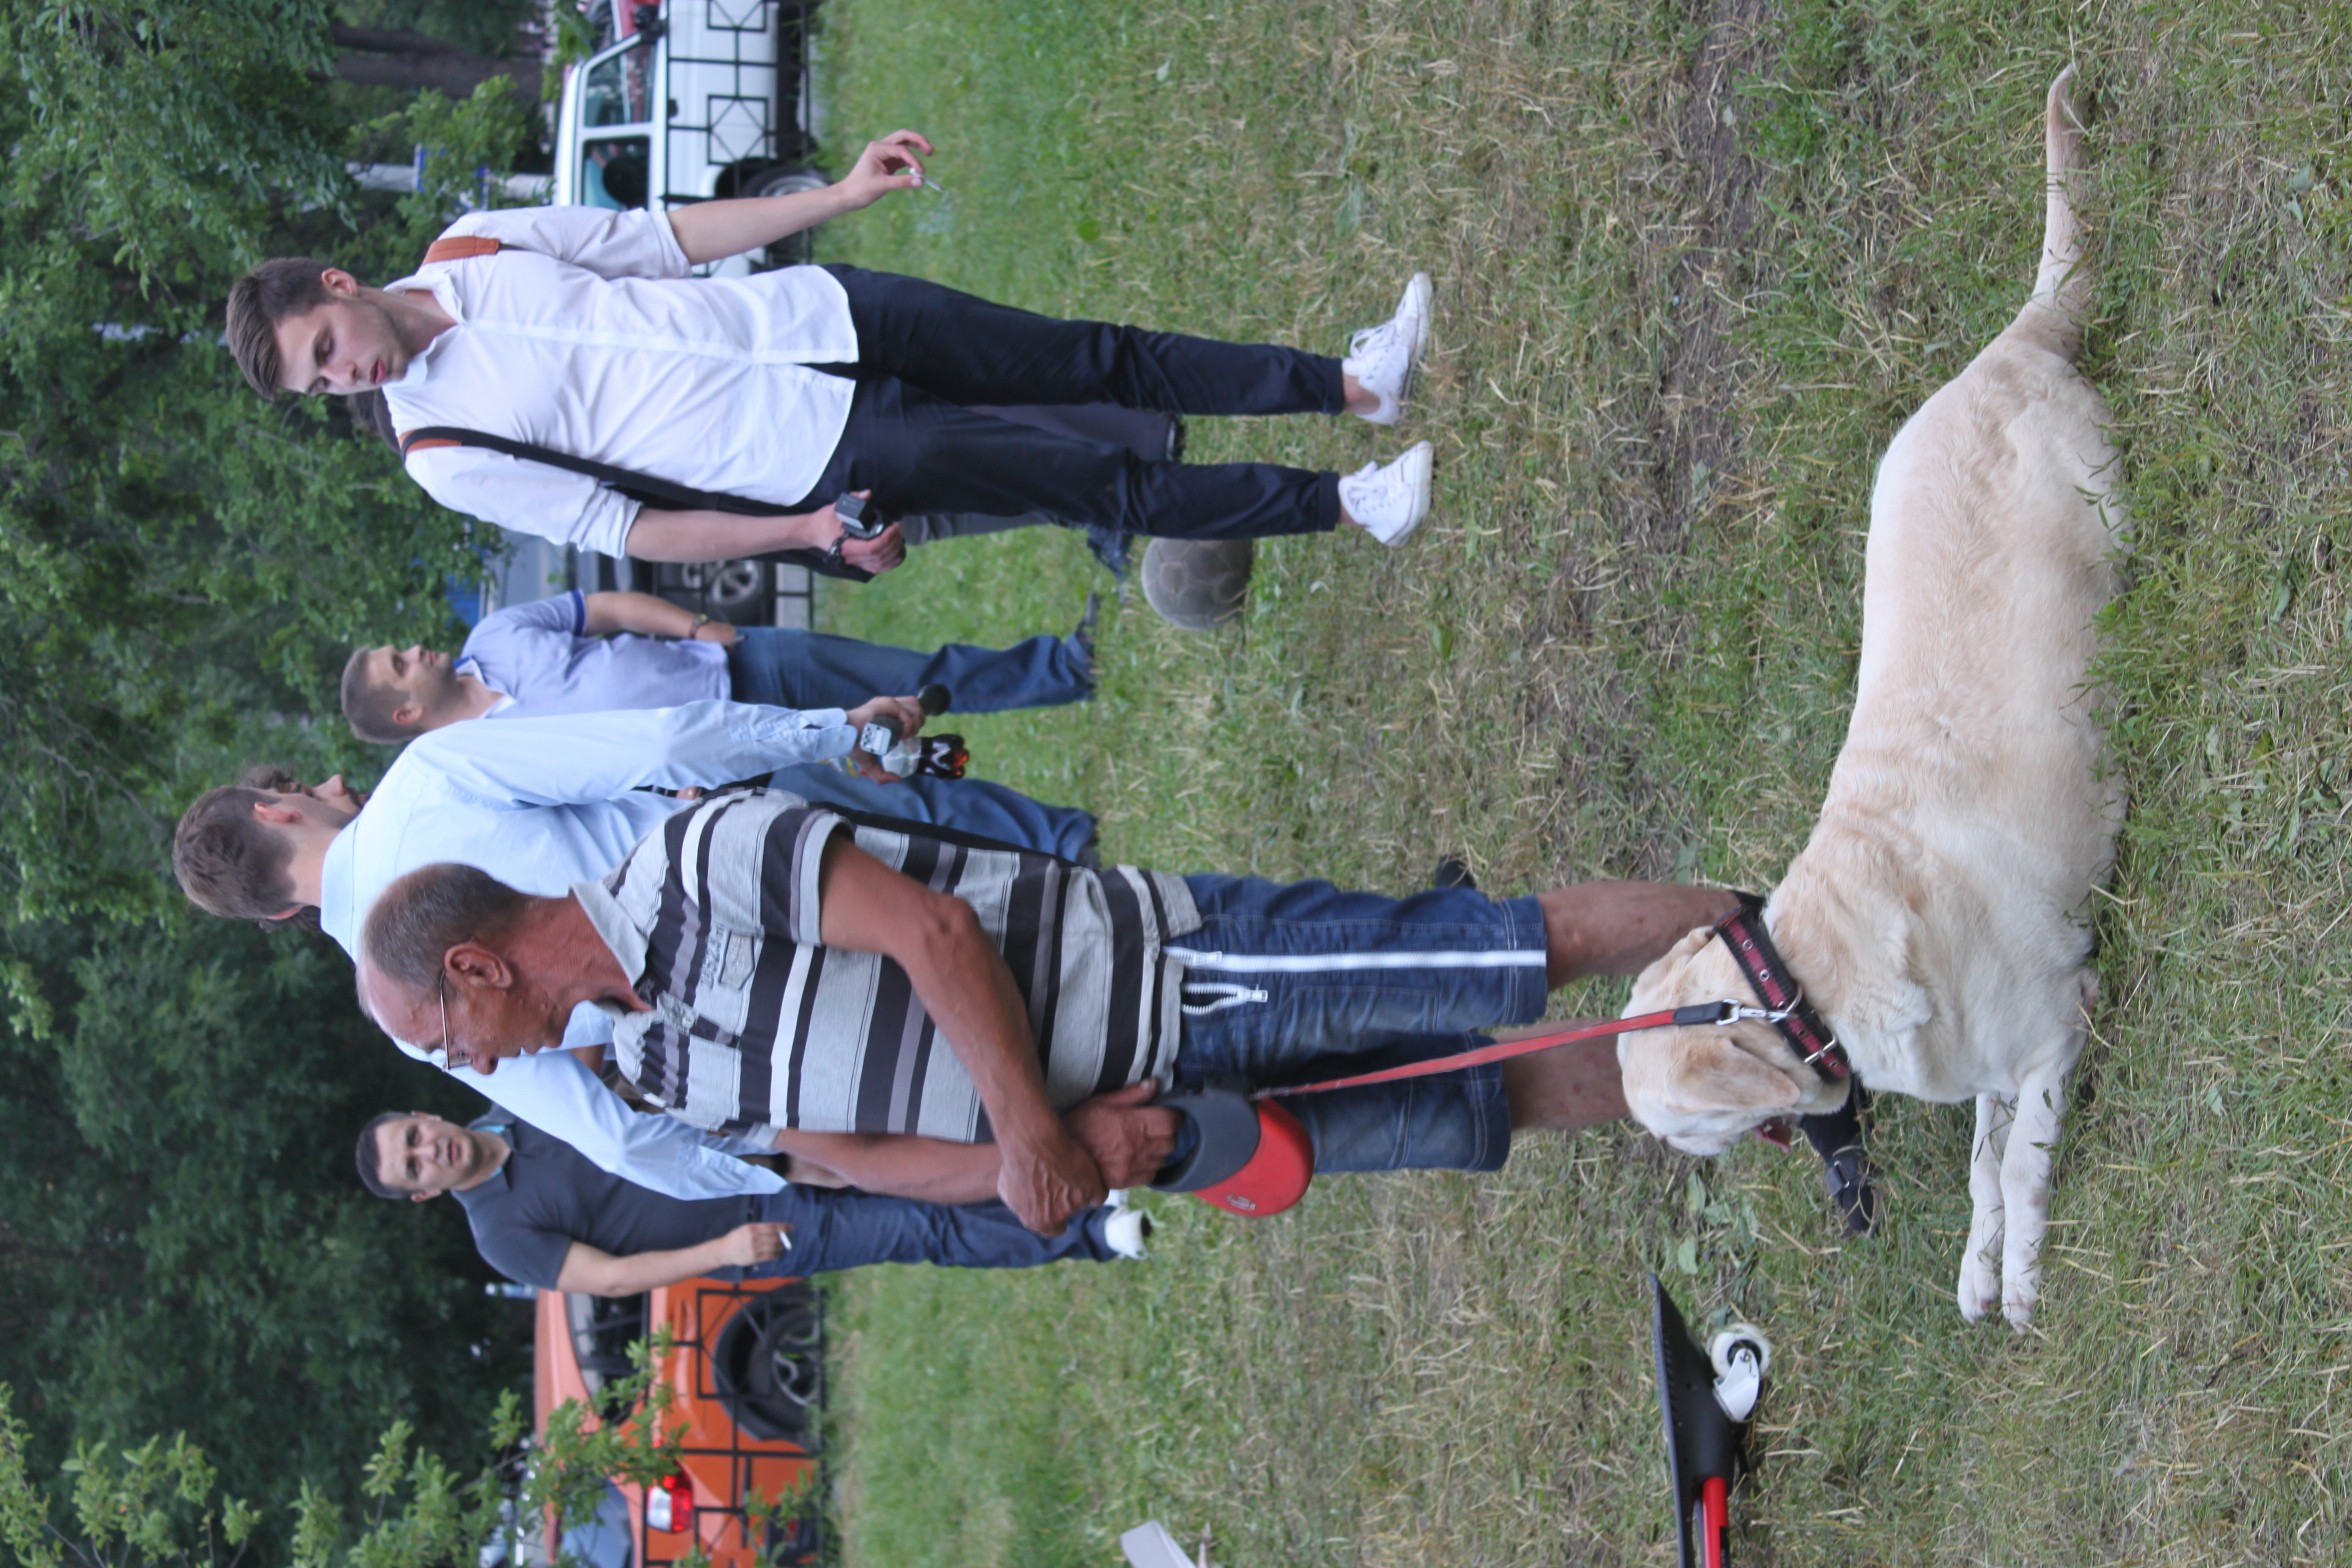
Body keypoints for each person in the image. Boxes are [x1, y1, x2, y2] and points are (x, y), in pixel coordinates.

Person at [355, 791, 1740, 1234]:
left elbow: (933, 933)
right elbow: (853, 1161)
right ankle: (1757, 1059)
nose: (469, 1066)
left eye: (443, 1040)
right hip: (1149, 1123)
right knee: (1475, 1101)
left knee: (1489, 959)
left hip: (1171, 979)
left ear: (476, 964)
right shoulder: (650, 1072)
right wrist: (1062, 1155)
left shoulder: (689, 860)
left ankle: (1775, 933)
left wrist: (1036, 1137)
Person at [223, 129, 1439, 570]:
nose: (344, 378)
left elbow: (664, 240)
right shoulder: (440, 451)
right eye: (320, 383)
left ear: (338, 285)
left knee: (1099, 356)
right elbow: (630, 530)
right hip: (815, 449)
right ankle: (1349, 504)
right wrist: (805, 532)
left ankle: (1354, 384)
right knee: (1093, 482)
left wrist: (843, 196)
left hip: (823, 315)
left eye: (325, 347)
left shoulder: (472, 242)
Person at [171, 699, 921, 1201]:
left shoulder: (400, 1016)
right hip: (772, 882)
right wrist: (835, 732)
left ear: (277, 911)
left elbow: (611, 1139)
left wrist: (774, 1170)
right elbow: (660, 745)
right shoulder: (424, 778)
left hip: (759, 1040)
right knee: (965, 921)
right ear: (275, 810)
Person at [341, 587, 1099, 860]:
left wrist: (698, 627)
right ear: (406, 713)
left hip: (747, 669)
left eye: (399, 648)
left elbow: (602, 608)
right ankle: (1064, 839)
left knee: (911, 673)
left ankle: (1065, 667)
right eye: (399, 663)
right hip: (738, 762)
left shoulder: (494, 636)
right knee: (906, 796)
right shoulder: (484, 758)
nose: (415, 650)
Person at [357, 1109, 1150, 1293]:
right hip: (753, 1228)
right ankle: (1091, 1232)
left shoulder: (522, 1102)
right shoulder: (500, 1233)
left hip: (754, 1144)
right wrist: (724, 1253)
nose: (429, 1149)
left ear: (424, 1114)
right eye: (413, 1165)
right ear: (422, 1193)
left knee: (916, 1163)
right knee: (917, 1228)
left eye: (414, 1135)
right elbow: (611, 1278)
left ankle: (1075, 1173)